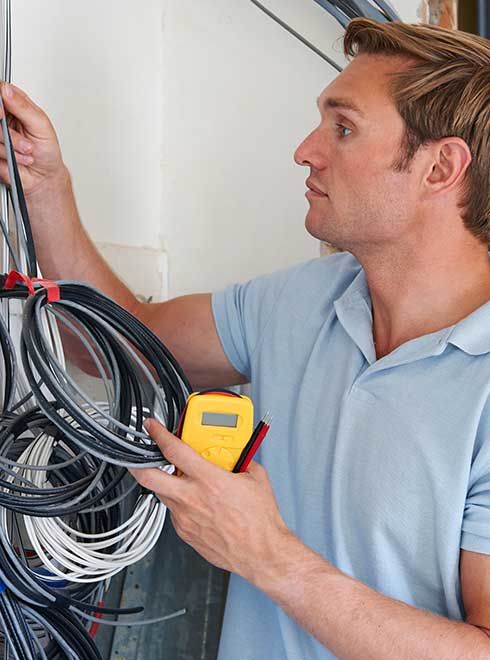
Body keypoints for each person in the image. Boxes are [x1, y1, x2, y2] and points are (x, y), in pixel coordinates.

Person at [1, 16, 490, 659]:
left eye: (343, 128)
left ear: (439, 167)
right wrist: (45, 191)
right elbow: (119, 346)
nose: (306, 149)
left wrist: (273, 560)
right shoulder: (303, 300)